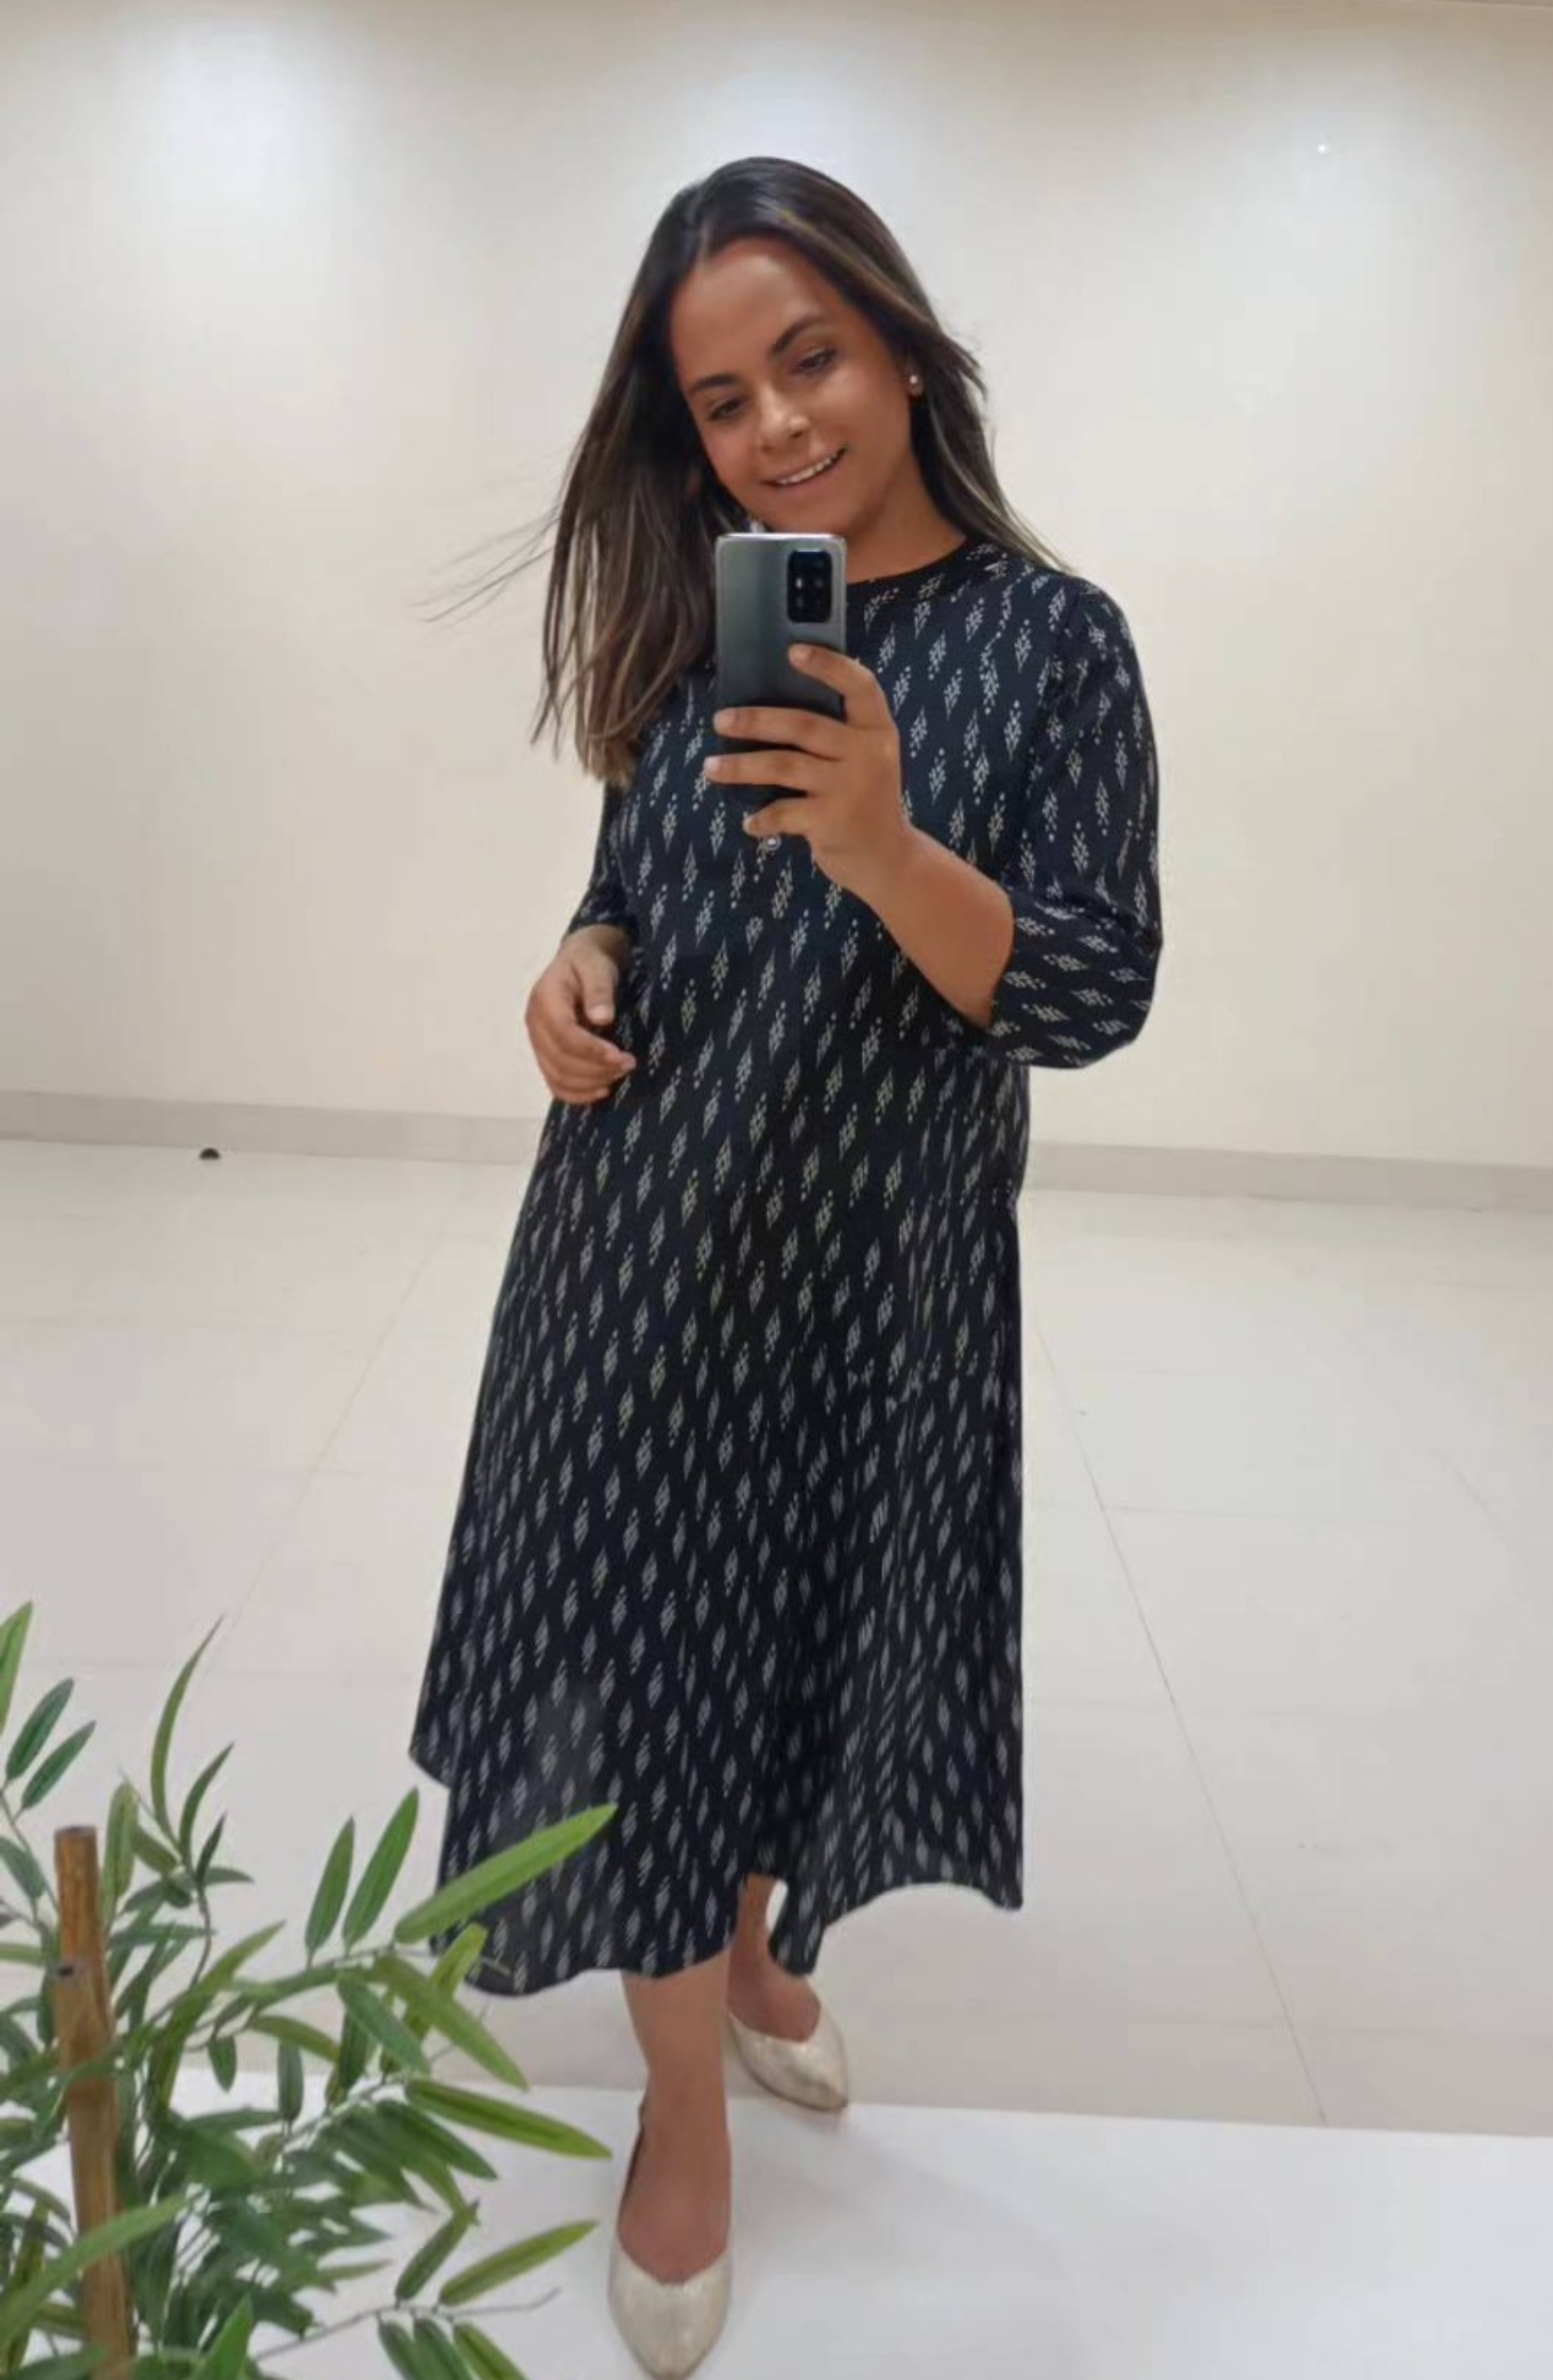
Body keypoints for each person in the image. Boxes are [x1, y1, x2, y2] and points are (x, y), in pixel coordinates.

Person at [409, 154, 1162, 2378]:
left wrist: (886, 842)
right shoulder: (705, 627)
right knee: (645, 1664)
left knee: (800, 1634)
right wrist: (573, 957)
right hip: (635, 1261)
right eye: (719, 399)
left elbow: (1087, 987)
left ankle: (753, 1949)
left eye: (806, 358)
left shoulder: (1055, 644)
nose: (772, 426)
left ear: (901, 346)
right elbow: (628, 879)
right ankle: (676, 2102)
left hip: (875, 1282)